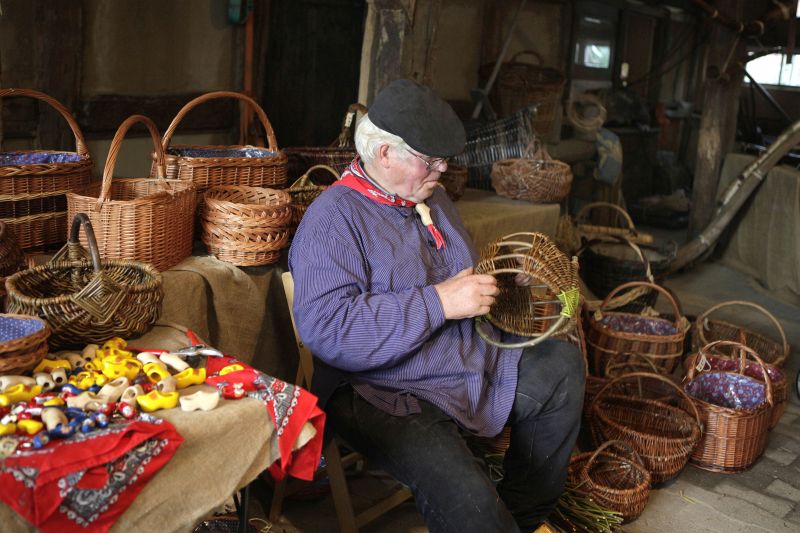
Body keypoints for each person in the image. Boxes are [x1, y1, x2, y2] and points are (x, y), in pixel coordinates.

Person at [288, 79, 584, 532]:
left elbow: (457, 272)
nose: (442, 170)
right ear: (384, 154)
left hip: (460, 358)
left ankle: (519, 518)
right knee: (469, 500)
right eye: (430, 160)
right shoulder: (333, 219)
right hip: (383, 387)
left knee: (562, 368)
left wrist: (504, 276)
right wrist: (439, 302)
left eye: (444, 160)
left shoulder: (432, 196)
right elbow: (329, 329)